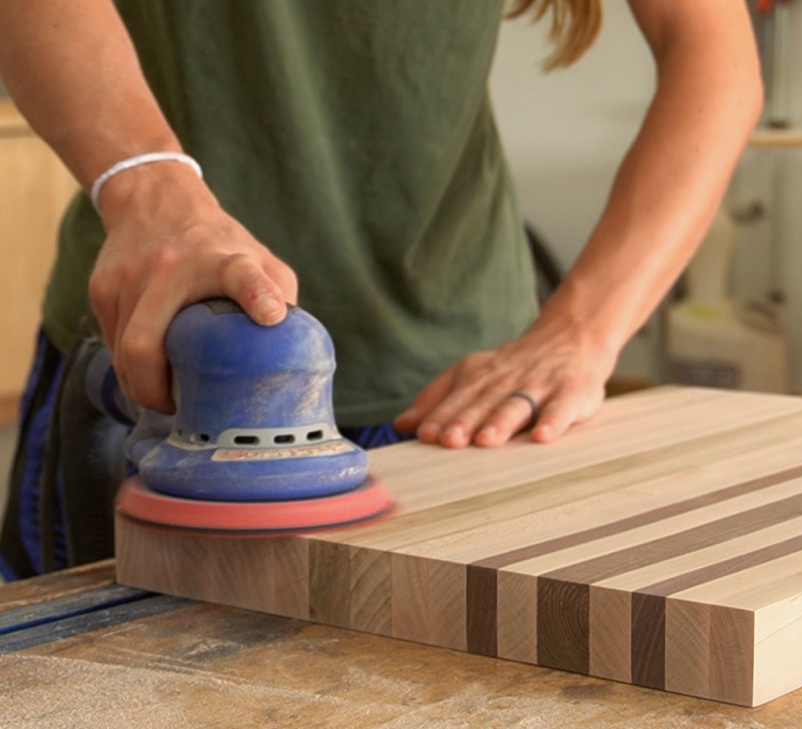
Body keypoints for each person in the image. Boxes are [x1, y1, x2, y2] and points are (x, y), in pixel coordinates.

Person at [0, 0, 762, 578]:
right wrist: (146, 188)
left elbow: (711, 48)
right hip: (151, 353)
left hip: (459, 404)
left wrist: (584, 328)